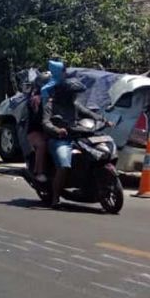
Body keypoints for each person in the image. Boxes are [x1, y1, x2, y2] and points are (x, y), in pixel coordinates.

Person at [42, 77, 107, 207]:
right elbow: (45, 122)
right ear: (65, 94)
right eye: (73, 94)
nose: (75, 96)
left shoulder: (75, 105)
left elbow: (88, 113)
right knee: (64, 165)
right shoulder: (51, 105)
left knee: (94, 156)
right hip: (60, 140)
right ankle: (55, 197)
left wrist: (103, 120)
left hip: (78, 137)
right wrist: (57, 129)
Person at [25, 73, 52, 183]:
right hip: (37, 130)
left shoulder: (55, 96)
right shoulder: (36, 99)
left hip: (52, 129)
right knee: (42, 144)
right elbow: (38, 116)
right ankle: (38, 172)